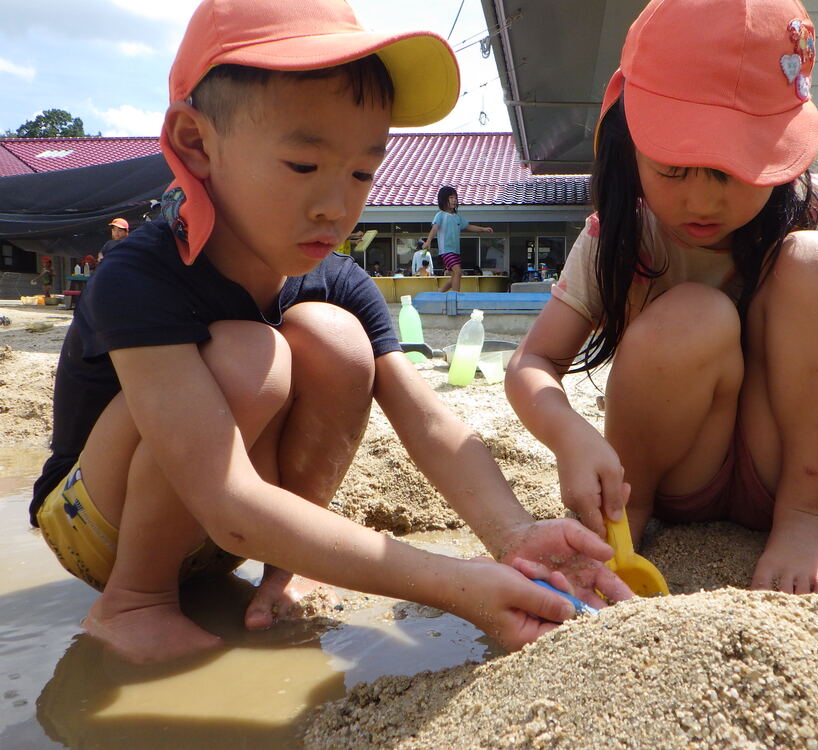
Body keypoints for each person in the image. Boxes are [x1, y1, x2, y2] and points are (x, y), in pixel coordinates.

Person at [30, 0, 630, 666]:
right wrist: (455, 586)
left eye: (362, 173)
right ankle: (136, 601)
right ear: (198, 144)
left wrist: (513, 535)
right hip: (102, 530)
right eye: (303, 167)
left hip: (228, 533)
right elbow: (225, 496)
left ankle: (287, 568)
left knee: (339, 342)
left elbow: (430, 423)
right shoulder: (140, 275)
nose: (337, 205)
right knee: (250, 357)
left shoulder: (338, 280)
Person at [505, 0, 818, 601]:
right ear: (629, 141)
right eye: (674, 169)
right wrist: (570, 436)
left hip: (796, 457)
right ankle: (621, 525)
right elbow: (533, 363)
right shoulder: (621, 233)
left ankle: (804, 521)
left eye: (734, 171)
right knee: (694, 315)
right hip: (677, 471)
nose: (702, 202)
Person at [424, 186, 492, 292]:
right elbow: (434, 229)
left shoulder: (457, 217)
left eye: (455, 198)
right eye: (451, 197)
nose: (454, 200)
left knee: (457, 274)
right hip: (446, 250)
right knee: (457, 270)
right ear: (443, 200)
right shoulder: (440, 215)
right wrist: (428, 241)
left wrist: (482, 229)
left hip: (455, 251)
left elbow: (468, 226)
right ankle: (456, 294)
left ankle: (440, 291)